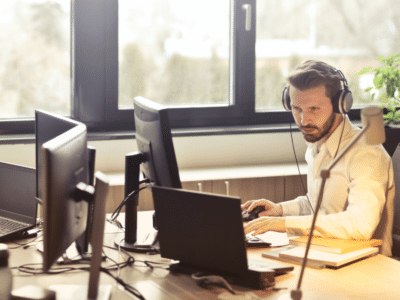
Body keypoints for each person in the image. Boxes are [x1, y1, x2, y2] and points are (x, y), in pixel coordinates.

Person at [242, 60, 394, 256]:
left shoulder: (366, 152)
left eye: (314, 109)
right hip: (325, 254)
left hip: (367, 268)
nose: (304, 121)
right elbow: (318, 206)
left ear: (341, 104)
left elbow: (360, 224)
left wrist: (285, 224)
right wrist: (280, 210)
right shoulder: (317, 146)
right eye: (297, 109)